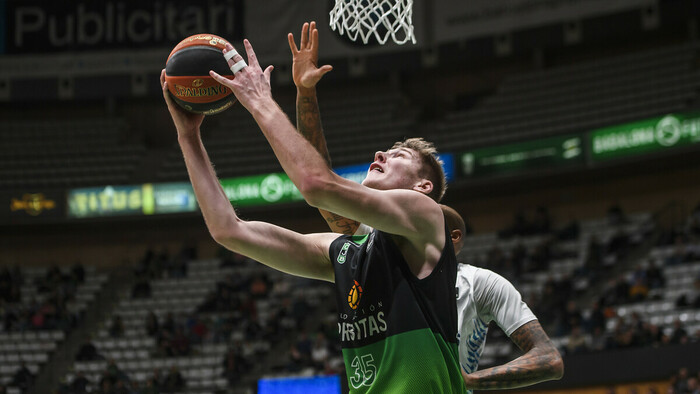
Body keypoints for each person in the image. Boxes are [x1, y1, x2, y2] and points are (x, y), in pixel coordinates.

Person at [163, 30, 464, 394]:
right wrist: (188, 136)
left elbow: (316, 184)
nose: (380, 155)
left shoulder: (424, 215)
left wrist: (260, 99)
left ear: (423, 187)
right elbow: (228, 230)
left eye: (399, 155)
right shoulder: (345, 253)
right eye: (385, 151)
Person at [286, 21, 563, 392]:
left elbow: (549, 359)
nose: (380, 155)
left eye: (396, 155)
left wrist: (468, 381)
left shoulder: (482, 283)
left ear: (453, 238)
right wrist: (305, 94)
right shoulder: (379, 246)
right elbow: (322, 185)